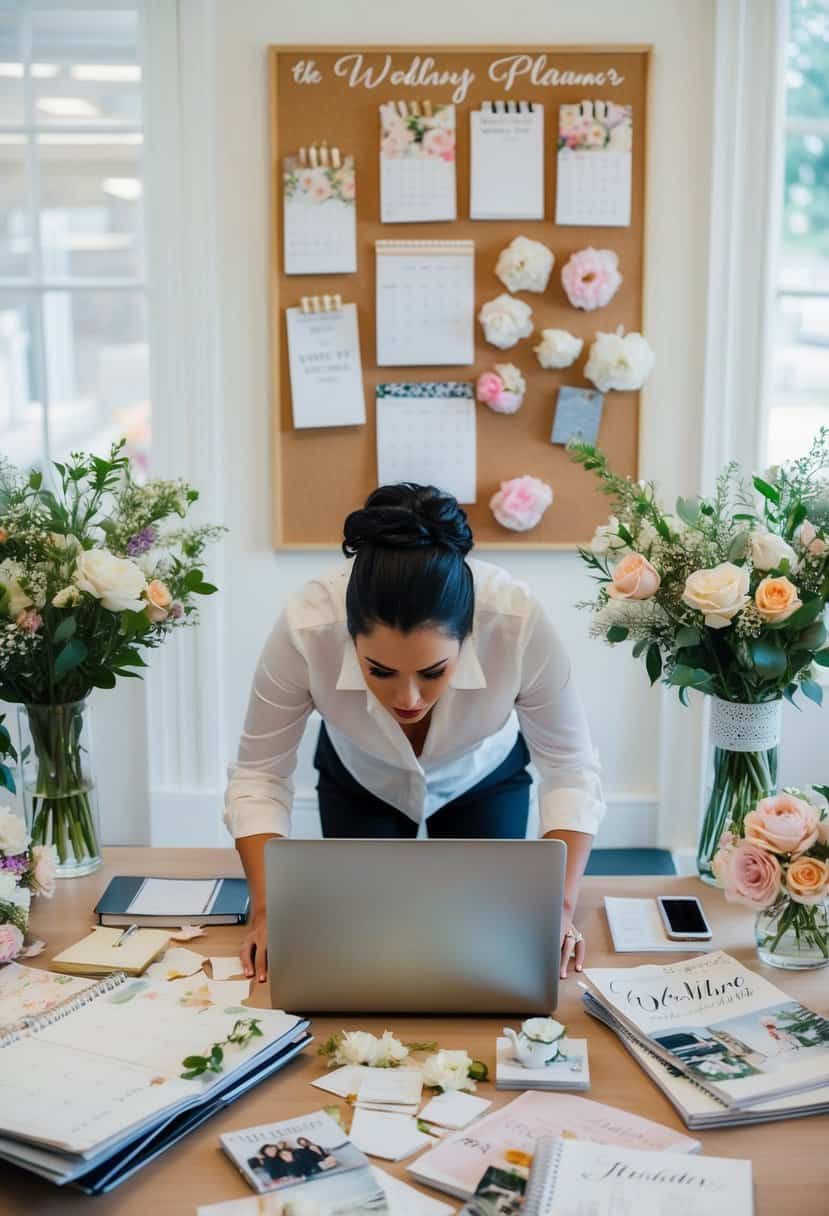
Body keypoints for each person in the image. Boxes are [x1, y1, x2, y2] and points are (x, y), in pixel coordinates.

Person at [225, 483, 605, 984]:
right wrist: (269, 911)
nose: (408, 699)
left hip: (483, 773)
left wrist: (558, 905)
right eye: (379, 671)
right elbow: (259, 775)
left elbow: (570, 769)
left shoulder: (514, 621)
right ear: (349, 633)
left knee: (491, 944)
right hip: (360, 775)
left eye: (432, 672)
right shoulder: (307, 627)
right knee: (362, 947)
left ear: (469, 635)